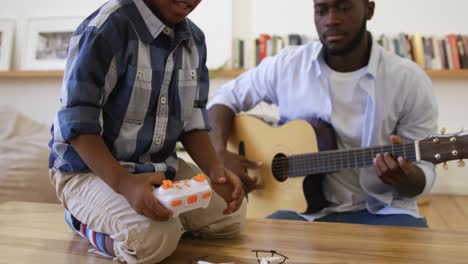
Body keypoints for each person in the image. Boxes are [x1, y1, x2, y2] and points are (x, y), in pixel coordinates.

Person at [208, 0, 438, 228]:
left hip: (383, 212)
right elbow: (223, 100)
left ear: (369, 9)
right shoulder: (289, 65)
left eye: (343, 8)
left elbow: (422, 175)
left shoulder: (409, 81)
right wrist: (218, 153)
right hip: (296, 213)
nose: (332, 20)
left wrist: (405, 178)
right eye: (321, 10)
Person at [48, 0, 246, 263]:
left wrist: (215, 170)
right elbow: (78, 125)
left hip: (156, 168)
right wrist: (124, 184)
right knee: (152, 241)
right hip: (88, 172)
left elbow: (193, 120)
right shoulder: (104, 30)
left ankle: (158, 223)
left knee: (231, 215)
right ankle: (83, 222)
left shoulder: (194, 40)